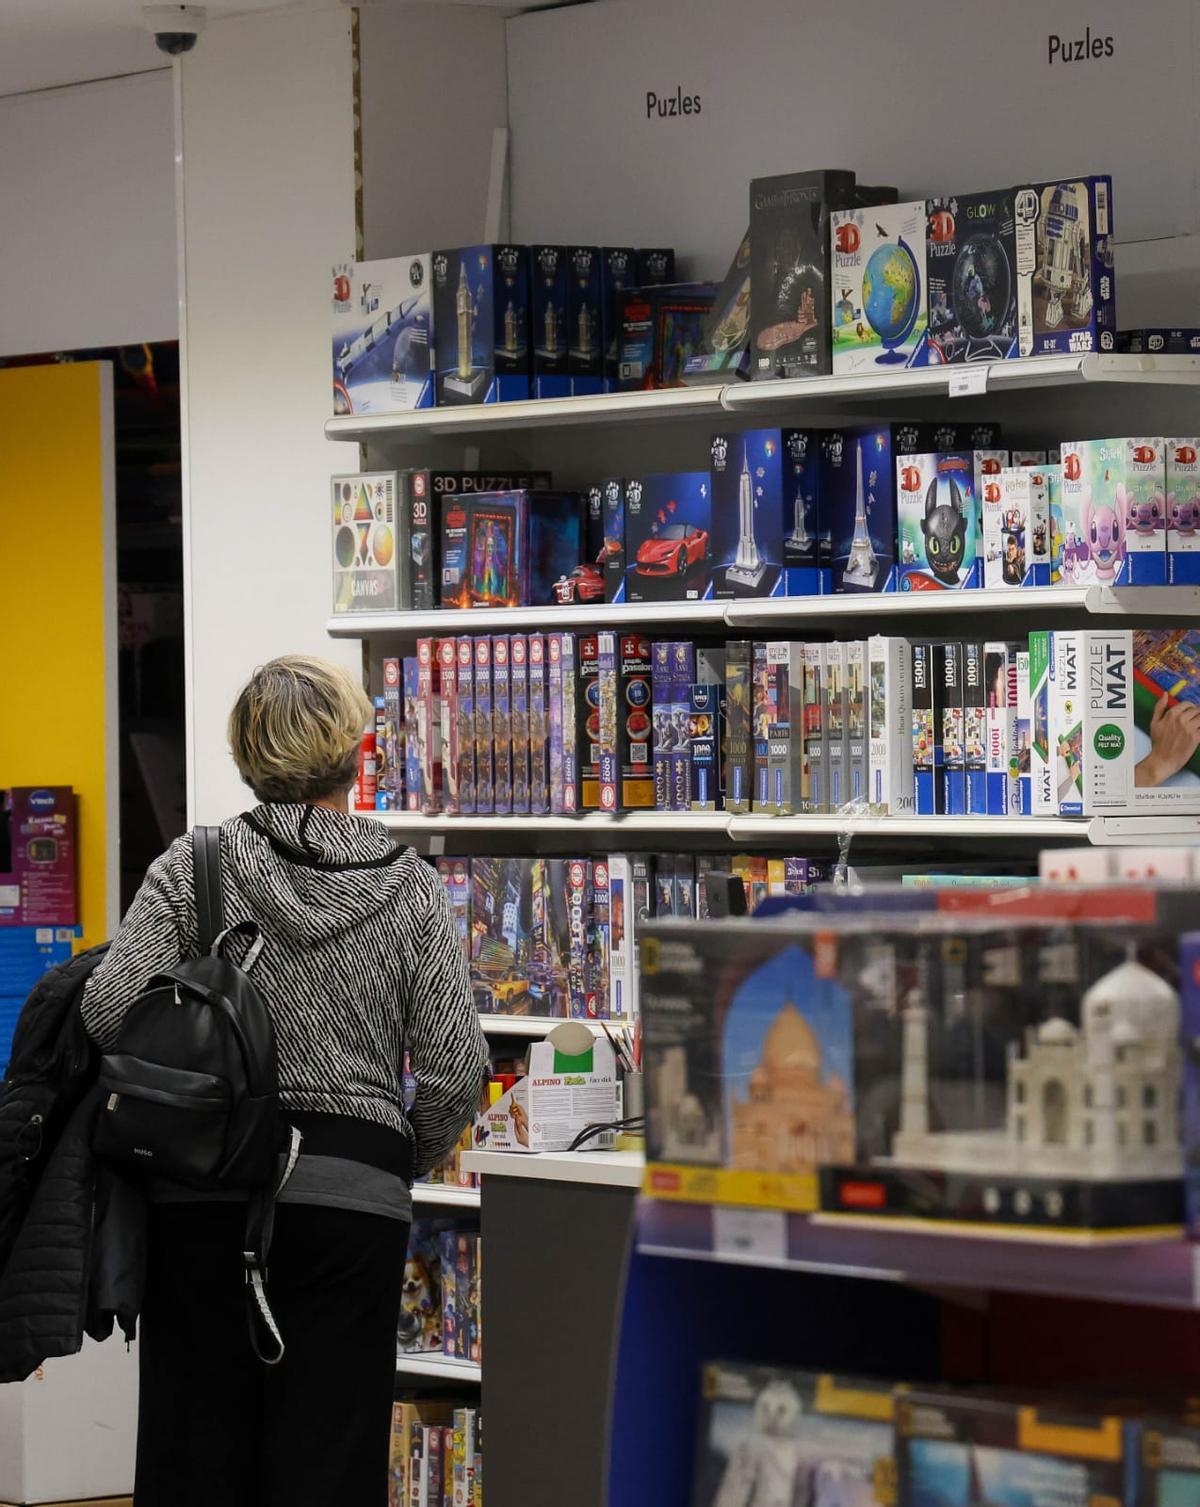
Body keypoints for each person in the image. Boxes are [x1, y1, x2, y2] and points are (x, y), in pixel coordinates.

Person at [80, 655, 487, 1507]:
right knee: (329, 1456)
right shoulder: (408, 887)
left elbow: (110, 1012)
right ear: (354, 749)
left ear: (245, 753)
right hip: (353, 1203)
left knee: (197, 1453)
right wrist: (391, 1155)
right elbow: (455, 1066)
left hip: (204, 1188)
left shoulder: (194, 869)